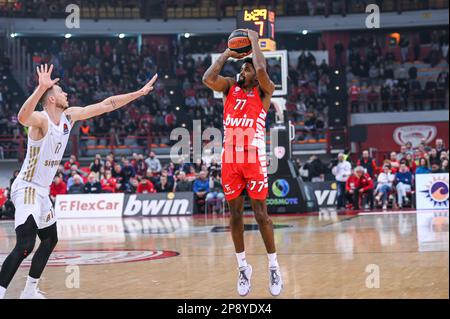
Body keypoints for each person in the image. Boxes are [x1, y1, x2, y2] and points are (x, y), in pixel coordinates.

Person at [0, 64, 157, 299]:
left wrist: (137, 93)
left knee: (50, 239)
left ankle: (30, 291)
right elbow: (22, 117)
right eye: (62, 93)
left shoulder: (69, 116)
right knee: (25, 245)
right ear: (51, 99)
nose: (67, 95)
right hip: (27, 187)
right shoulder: (41, 121)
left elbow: (107, 105)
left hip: (42, 191)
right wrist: (40, 87)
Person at [203, 29, 283, 297]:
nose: (244, 71)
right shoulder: (229, 87)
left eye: (247, 68)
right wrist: (228, 53)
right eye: (243, 68)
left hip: (254, 158)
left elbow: (261, 70)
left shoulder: (264, 91)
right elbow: (207, 78)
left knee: (261, 216)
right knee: (235, 215)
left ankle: (273, 265)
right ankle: (243, 268)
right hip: (231, 160)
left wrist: (253, 40)